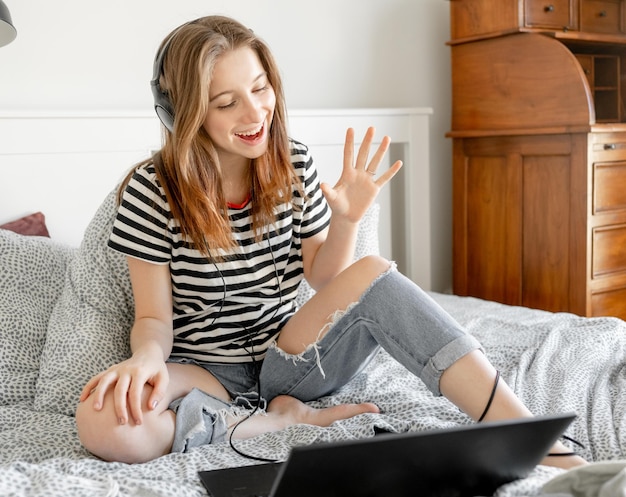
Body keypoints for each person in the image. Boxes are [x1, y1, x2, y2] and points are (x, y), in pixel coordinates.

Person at [75, 15, 586, 468]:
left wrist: (347, 220)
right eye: (227, 103)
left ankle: (541, 444)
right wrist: (145, 359)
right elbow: (154, 319)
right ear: (181, 113)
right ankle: (275, 424)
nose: (255, 114)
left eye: (260, 89)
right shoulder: (150, 189)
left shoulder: (293, 162)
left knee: (375, 271)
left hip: (288, 357)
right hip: (207, 373)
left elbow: (322, 276)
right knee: (99, 420)